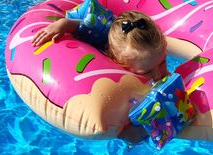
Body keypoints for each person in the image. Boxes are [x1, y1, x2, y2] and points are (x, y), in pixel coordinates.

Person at [32, 2, 170, 144]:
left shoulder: (147, 57)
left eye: (162, 62)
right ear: (117, 62)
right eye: (147, 71)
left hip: (115, 29)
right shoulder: (103, 43)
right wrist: (63, 24)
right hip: (98, 28)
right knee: (132, 137)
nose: (159, 74)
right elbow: (80, 29)